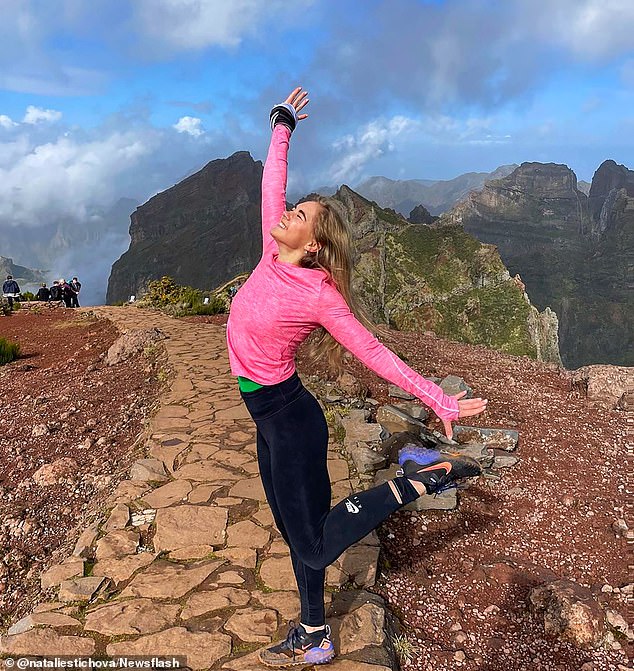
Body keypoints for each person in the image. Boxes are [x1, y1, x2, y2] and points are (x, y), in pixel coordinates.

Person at [226, 87, 488, 668]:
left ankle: (417, 482)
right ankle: (315, 631)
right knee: (301, 534)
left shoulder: (320, 296)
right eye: (293, 210)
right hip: (268, 418)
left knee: (315, 543)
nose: (287, 213)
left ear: (314, 244)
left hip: (290, 420)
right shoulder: (273, 253)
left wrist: (434, 395)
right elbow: (272, 185)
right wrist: (283, 125)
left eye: (300, 217)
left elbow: (373, 351)